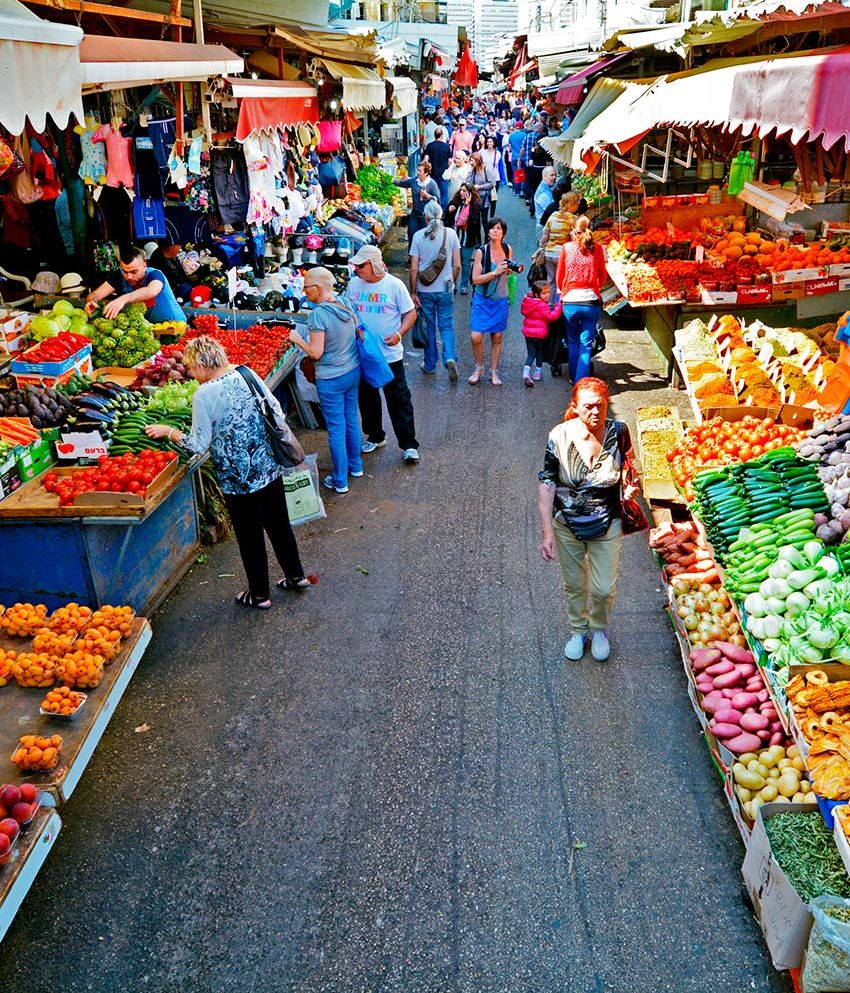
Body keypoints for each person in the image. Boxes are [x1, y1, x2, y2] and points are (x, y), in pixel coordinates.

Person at [145, 335, 308, 610]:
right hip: (267, 465)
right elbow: (275, 410)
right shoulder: (247, 373)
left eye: (191, 368)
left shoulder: (204, 394)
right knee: (279, 524)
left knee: (249, 535)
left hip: (236, 479)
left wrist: (170, 432)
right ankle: (296, 576)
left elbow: (198, 444)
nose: (191, 374)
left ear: (200, 364)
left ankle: (259, 595)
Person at [538, 377, 634, 662]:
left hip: (608, 521)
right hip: (567, 523)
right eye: (588, 406)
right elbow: (547, 483)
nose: (595, 412)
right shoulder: (559, 435)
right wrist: (547, 534)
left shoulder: (618, 431)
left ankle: (599, 629)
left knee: (603, 587)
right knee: (575, 584)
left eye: (600, 406)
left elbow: (628, 463)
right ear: (575, 408)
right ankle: (579, 631)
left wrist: (630, 484)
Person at [289, 267, 363, 495]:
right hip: (352, 371)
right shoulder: (345, 303)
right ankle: (356, 466)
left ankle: (340, 480)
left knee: (336, 428)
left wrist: (296, 339)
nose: (304, 291)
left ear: (318, 288)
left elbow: (316, 352)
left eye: (307, 287)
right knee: (351, 418)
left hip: (331, 378)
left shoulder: (318, 315)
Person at [346, 245, 420, 463]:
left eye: (361, 265)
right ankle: (375, 435)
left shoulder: (394, 286)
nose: (356, 269)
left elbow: (410, 314)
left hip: (389, 355)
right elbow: (350, 312)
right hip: (363, 354)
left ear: (374, 264)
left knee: (398, 399)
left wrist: (399, 334)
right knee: (367, 398)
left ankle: (408, 444)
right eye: (355, 265)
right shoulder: (353, 284)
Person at [410, 200, 461, 381]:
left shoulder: (418, 236)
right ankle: (449, 357)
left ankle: (430, 364)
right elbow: (457, 266)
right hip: (446, 287)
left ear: (426, 217)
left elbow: (414, 268)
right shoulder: (451, 234)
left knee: (429, 327)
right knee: (446, 325)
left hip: (425, 290)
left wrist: (413, 291)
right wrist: (452, 282)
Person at [556, 217, 608, 383]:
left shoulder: (566, 248)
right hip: (591, 302)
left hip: (570, 302)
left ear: (573, 230)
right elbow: (603, 276)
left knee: (573, 341)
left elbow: (559, 276)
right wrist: (593, 287)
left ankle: (573, 378)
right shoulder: (598, 249)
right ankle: (581, 380)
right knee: (586, 344)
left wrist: (564, 291)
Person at [85, 243, 184, 322]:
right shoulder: (119, 276)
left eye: (134, 272)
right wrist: (91, 301)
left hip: (175, 326)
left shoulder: (154, 274)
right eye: (125, 271)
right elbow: (96, 294)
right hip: (152, 329)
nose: (129, 277)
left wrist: (123, 299)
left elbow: (152, 291)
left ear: (144, 265)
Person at [469, 216, 513, 387]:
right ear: (487, 232)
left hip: (500, 299)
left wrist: (509, 271)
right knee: (476, 336)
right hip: (482, 299)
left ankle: (493, 371)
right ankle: (479, 367)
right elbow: (475, 279)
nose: (495, 231)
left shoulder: (507, 249)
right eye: (492, 228)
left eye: (499, 228)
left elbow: (508, 274)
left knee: (497, 336)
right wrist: (495, 273)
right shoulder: (482, 252)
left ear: (503, 233)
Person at [521, 280, 562, 387]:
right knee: (539, 353)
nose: (547, 295)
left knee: (531, 354)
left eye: (548, 292)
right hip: (539, 334)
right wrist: (558, 307)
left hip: (528, 333)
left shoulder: (528, 301)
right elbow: (551, 317)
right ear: (537, 294)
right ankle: (538, 372)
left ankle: (526, 373)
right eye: (544, 293)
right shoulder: (542, 305)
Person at [539, 190, 580, 296]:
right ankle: (561, 304)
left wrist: (541, 247)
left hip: (549, 253)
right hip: (562, 254)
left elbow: (544, 236)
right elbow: (574, 238)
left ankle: (552, 304)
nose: (578, 205)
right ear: (572, 204)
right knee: (562, 281)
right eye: (577, 203)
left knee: (551, 281)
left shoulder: (553, 215)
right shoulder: (573, 219)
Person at [445, 182, 482, 295]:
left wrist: (467, 205)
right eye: (461, 190)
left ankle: (464, 285)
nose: (461, 192)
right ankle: (452, 283)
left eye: (464, 191)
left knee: (465, 263)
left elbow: (474, 220)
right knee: (452, 262)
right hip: (454, 238)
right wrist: (449, 210)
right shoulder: (455, 202)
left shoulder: (475, 205)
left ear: (470, 193)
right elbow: (447, 218)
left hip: (467, 239)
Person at [394, 162, 440, 246]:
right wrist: (391, 180)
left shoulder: (432, 184)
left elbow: (437, 200)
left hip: (425, 217)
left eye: (420, 171)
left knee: (424, 237)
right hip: (414, 214)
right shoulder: (414, 181)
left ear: (426, 173)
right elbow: (401, 183)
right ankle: (411, 256)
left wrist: (428, 196)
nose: (417, 172)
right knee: (411, 234)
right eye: (417, 170)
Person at [468, 152, 497, 242]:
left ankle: (487, 239)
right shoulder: (472, 171)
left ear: (477, 160)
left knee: (484, 220)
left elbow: (492, 183)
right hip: (475, 198)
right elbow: (468, 181)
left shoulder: (486, 170)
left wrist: (480, 187)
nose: (470, 162)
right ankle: (478, 241)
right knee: (476, 220)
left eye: (472, 160)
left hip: (484, 198)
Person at [422, 127, 451, 209]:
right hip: (443, 175)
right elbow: (449, 161)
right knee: (444, 194)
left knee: (431, 193)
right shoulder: (446, 146)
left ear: (434, 136)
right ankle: (443, 213)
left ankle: (432, 209)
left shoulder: (430, 146)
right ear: (442, 136)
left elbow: (425, 160)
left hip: (433, 174)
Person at [479, 135, 504, 220]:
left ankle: (492, 216)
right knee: (484, 196)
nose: (489, 143)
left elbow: (500, 166)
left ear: (494, 143)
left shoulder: (498, 153)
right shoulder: (482, 153)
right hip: (484, 177)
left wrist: (503, 178)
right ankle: (484, 214)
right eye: (488, 141)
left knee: (493, 198)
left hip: (495, 177)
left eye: (491, 142)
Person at [534, 166, 557, 237]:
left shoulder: (548, 188)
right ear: (544, 177)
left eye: (555, 175)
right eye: (551, 175)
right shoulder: (543, 193)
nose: (554, 177)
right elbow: (552, 212)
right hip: (543, 229)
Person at [506, 122, 526, 193]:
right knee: (522, 173)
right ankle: (522, 190)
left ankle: (516, 191)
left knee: (515, 174)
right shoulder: (524, 135)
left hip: (514, 157)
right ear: (521, 127)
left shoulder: (511, 136)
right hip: (523, 157)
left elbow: (510, 147)